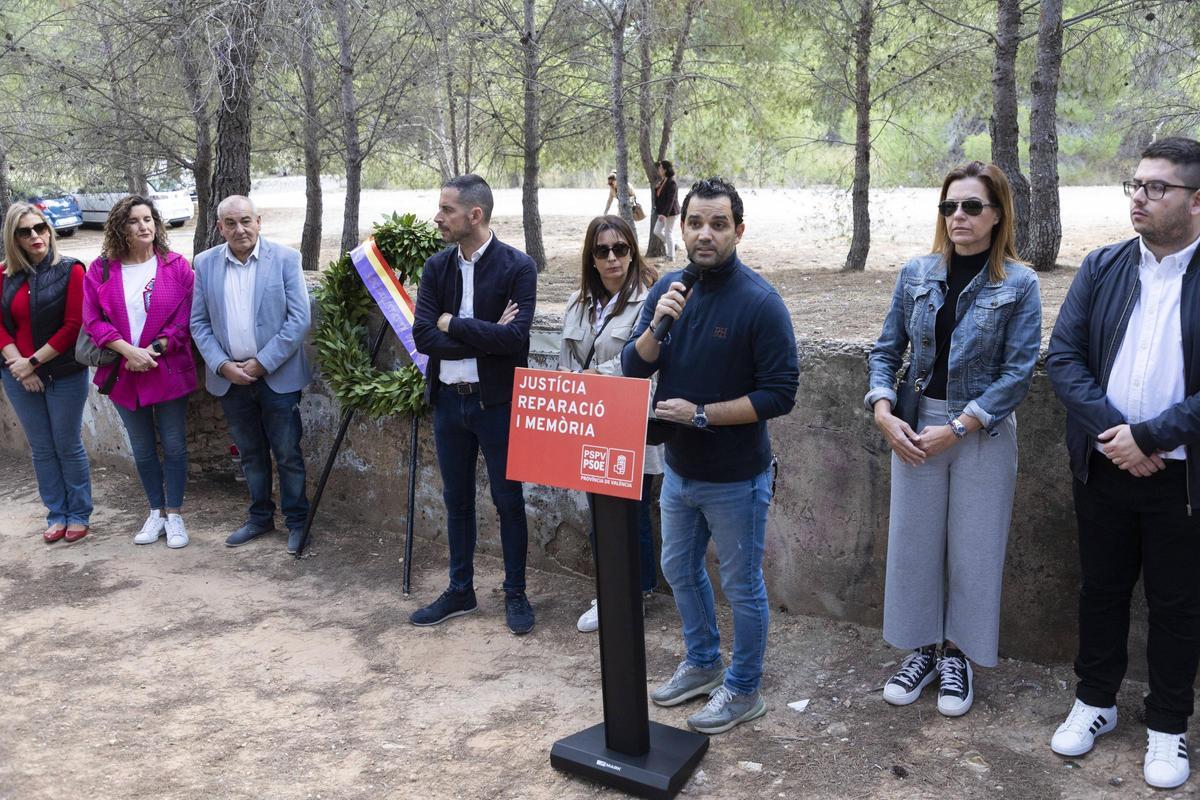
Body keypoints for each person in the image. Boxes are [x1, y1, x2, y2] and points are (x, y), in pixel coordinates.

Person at [1045, 136, 1200, 791]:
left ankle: (1168, 728)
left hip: (1185, 482)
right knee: (1100, 590)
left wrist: (1154, 437)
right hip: (1104, 468)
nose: (1139, 196)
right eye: (1134, 185)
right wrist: (1119, 435)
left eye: (1156, 187)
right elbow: (1063, 358)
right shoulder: (1102, 266)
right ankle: (1095, 702)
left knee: (1177, 605)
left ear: (1196, 200)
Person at [621, 177, 799, 734]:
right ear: (681, 226)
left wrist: (701, 414)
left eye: (718, 224)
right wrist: (657, 323)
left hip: (737, 479)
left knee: (741, 585)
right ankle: (702, 663)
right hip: (679, 472)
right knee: (678, 567)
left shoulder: (760, 302)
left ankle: (743, 689)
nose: (705, 234)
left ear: (738, 231)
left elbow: (780, 393)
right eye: (695, 222)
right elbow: (634, 367)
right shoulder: (670, 289)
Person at [865, 161, 1041, 718]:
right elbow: (886, 350)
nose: (958, 216)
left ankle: (958, 655)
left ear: (997, 215)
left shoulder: (1019, 282)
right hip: (917, 424)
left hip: (981, 429)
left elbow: (1018, 374)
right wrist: (883, 410)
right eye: (949, 206)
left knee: (975, 548)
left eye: (971, 206)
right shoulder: (917, 273)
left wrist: (961, 425)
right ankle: (923, 649)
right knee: (914, 545)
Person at [411, 174, 538, 635]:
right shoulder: (435, 268)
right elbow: (424, 337)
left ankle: (516, 592)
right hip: (448, 403)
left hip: (497, 405)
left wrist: (453, 324)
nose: (438, 217)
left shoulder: (518, 267)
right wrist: (482, 334)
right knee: (456, 500)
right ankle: (460, 590)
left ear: (474, 215)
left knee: (509, 501)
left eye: (446, 209)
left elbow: (515, 340)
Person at [190, 195, 312, 553]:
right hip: (231, 378)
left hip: (277, 375)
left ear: (259, 221)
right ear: (219, 228)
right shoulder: (205, 263)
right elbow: (198, 322)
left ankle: (297, 521)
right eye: (231, 223)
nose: (239, 229)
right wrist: (222, 365)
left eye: (246, 220)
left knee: (287, 452)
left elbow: (298, 319)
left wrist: (262, 362)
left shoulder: (286, 259)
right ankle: (259, 517)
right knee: (249, 453)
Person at [559, 215, 662, 632]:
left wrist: (594, 379)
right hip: (589, 428)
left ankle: (634, 595)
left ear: (632, 252)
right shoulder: (576, 304)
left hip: (633, 428)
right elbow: (567, 365)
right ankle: (609, 591)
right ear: (592, 258)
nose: (613, 258)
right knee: (600, 515)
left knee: (631, 515)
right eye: (603, 251)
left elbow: (647, 369)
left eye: (621, 248)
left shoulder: (649, 303)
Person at [81, 196, 197, 548]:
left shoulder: (176, 266)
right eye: (134, 221)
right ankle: (155, 512)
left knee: (175, 445)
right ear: (121, 227)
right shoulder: (100, 270)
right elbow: (92, 320)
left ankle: (175, 515)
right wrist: (126, 350)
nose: (144, 226)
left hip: (167, 369)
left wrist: (153, 351)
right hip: (124, 371)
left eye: (149, 219)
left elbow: (184, 320)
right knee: (143, 448)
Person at [0, 203, 92, 543]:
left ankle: (79, 513)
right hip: (17, 373)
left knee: (67, 445)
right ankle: (57, 514)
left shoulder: (71, 270)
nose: (36, 236)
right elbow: (1, 328)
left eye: (40, 227)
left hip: (64, 373)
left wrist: (33, 362)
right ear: (14, 238)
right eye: (25, 231)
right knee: (41, 448)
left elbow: (73, 326)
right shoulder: (3, 275)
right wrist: (20, 367)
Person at [652, 160, 681, 262]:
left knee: (668, 232)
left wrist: (664, 214)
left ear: (665, 170)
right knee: (657, 231)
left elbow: (671, 200)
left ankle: (671, 256)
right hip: (663, 213)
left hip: (671, 212)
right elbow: (659, 197)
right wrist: (656, 189)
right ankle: (673, 245)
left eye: (660, 168)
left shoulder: (672, 182)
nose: (659, 170)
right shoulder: (663, 180)